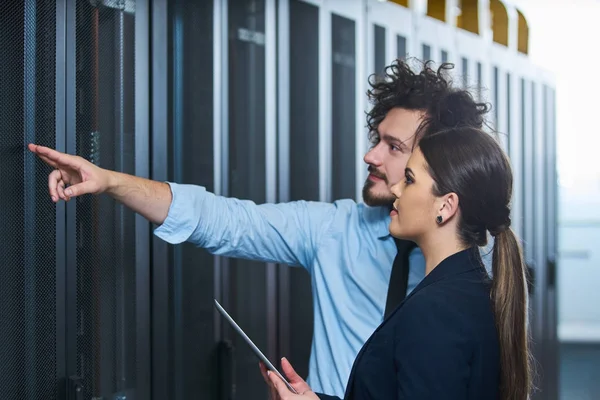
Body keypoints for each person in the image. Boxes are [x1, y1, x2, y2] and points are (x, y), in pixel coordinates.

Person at [28, 59, 490, 398]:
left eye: (394, 148)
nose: (371, 156)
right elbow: (223, 219)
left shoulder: (463, 284)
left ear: (438, 171)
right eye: (377, 139)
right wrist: (108, 180)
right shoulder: (336, 229)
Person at [262, 126, 532, 400]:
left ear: (445, 206)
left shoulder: (436, 311)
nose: (395, 188)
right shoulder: (466, 288)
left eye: (410, 180)